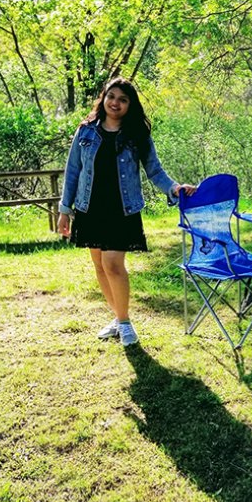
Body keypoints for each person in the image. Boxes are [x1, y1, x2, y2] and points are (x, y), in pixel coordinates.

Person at [57, 77, 195, 346]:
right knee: (99, 266)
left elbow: (154, 171)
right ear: (103, 98)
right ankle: (118, 317)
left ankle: (124, 323)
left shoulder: (137, 135)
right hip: (89, 207)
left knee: (113, 265)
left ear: (130, 105)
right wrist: (65, 209)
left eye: (123, 99)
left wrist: (175, 188)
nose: (115, 103)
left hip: (122, 209)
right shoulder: (85, 132)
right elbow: (73, 171)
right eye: (112, 97)